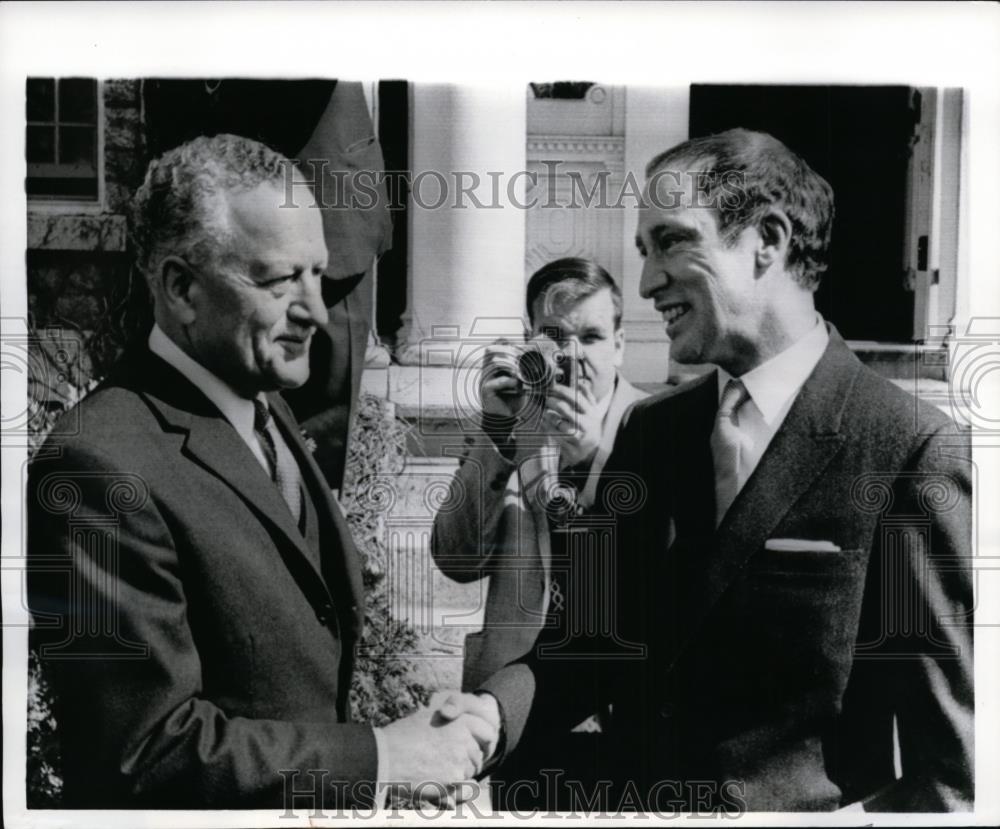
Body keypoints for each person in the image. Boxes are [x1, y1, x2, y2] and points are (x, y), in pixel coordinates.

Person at [449, 128, 974, 812]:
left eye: (671, 241)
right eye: (644, 250)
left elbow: (943, 772)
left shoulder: (909, 448)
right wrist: (488, 717)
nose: (645, 282)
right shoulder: (654, 431)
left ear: (768, 239)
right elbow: (588, 646)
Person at [26, 134, 494, 809]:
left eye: (317, 273)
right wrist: (385, 757)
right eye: (279, 280)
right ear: (181, 288)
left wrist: (416, 738)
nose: (314, 309)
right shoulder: (98, 466)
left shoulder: (262, 401)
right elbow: (142, 752)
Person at [431, 257, 646, 692]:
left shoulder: (657, 425)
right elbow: (456, 560)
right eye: (555, 339)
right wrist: (496, 436)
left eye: (591, 337)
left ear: (619, 344)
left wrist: (592, 462)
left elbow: (655, 580)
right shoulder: (512, 429)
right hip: (510, 699)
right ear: (529, 343)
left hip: (616, 697)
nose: (575, 356)